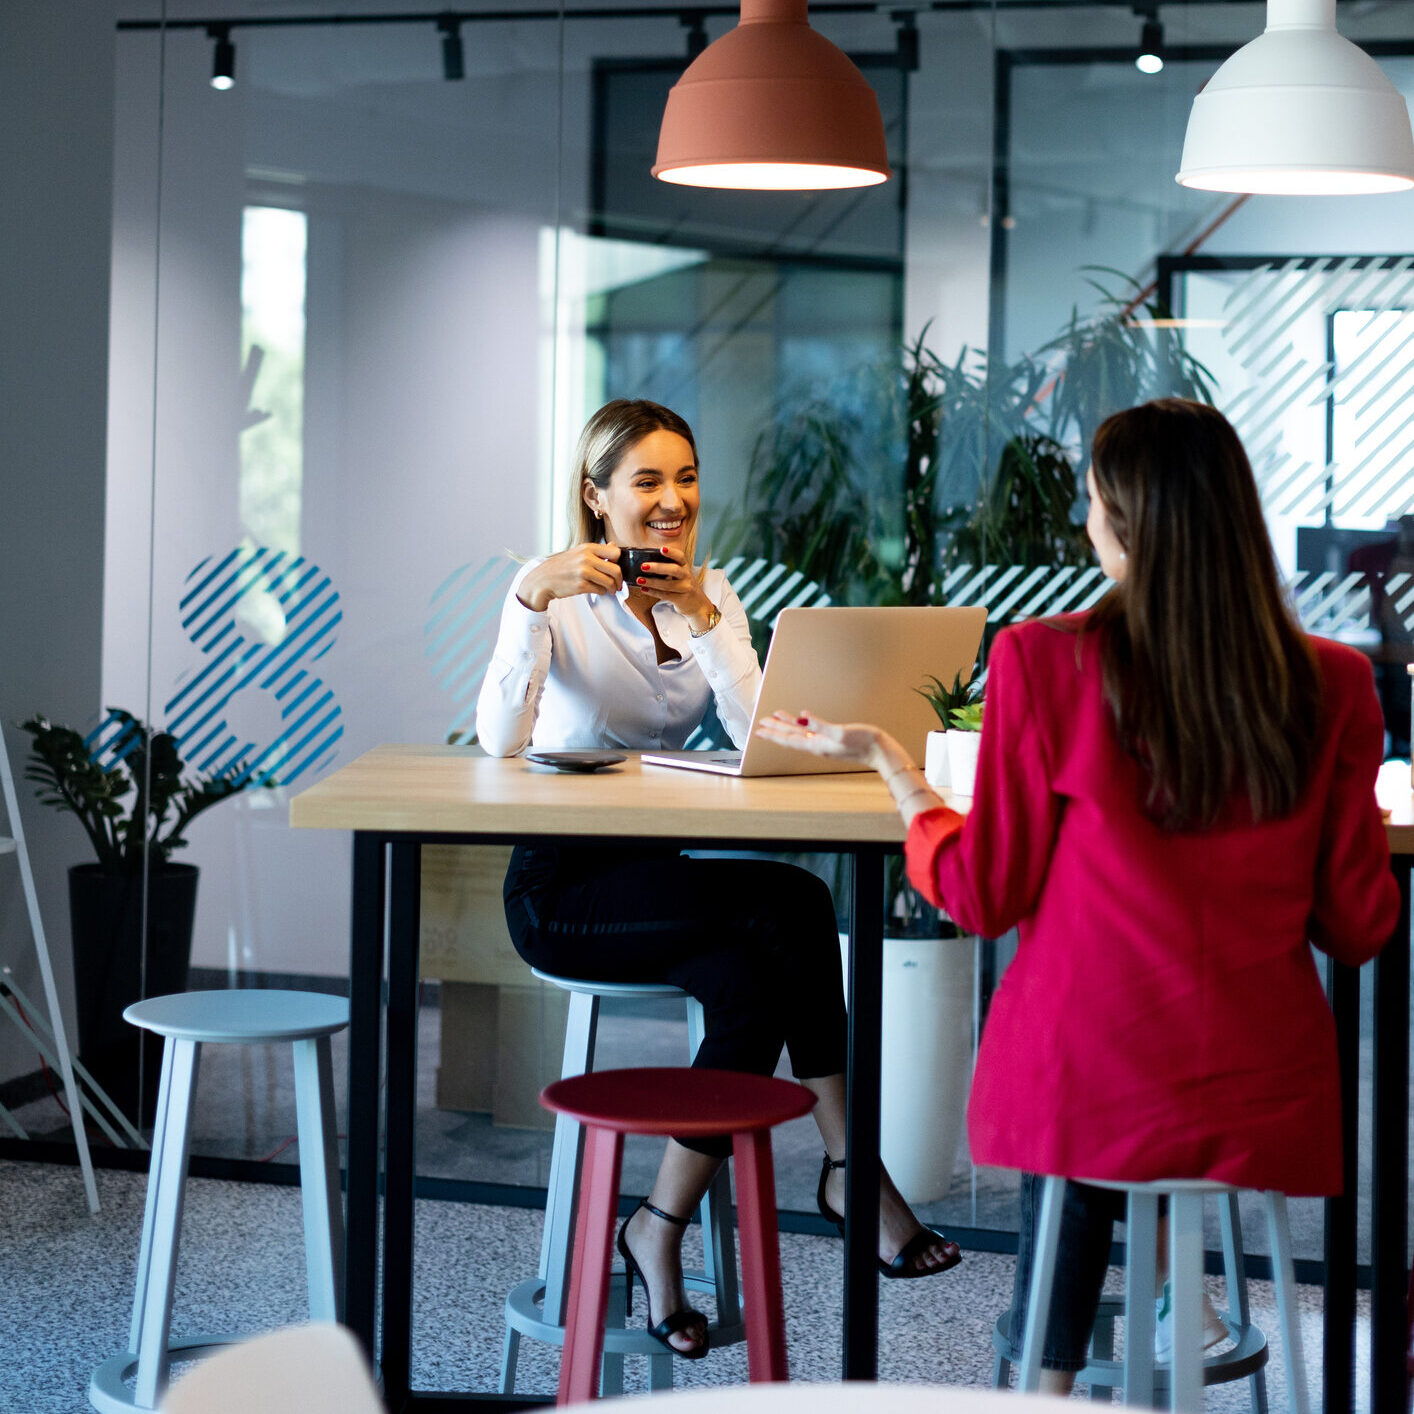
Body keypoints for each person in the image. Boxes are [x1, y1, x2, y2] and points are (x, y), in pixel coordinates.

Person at [757, 397, 1399, 1389]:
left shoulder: (1045, 659)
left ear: (1125, 522)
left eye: (1093, 499)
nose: (1082, 519)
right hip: (1259, 1090)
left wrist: (897, 769)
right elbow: (1357, 924)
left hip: (1087, 1081)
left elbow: (982, 894)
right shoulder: (1335, 682)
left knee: (1090, 1091)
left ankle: (1043, 1389)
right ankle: (1168, 1314)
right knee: (1118, 1095)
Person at [476, 397, 960, 1362]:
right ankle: (850, 1172)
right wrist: (528, 599)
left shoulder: (716, 593)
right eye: (648, 481)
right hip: (564, 890)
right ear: (596, 497)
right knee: (793, 904)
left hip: (660, 878)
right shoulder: (551, 596)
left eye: (687, 477)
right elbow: (499, 741)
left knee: (758, 975)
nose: (673, 500)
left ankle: (657, 1226)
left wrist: (702, 621)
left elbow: (756, 737)